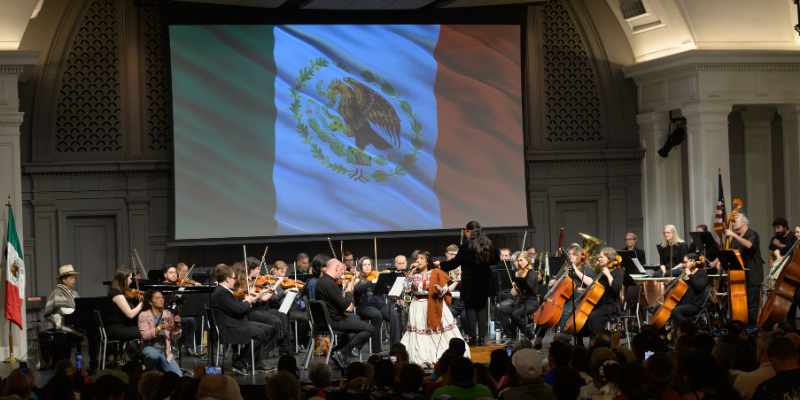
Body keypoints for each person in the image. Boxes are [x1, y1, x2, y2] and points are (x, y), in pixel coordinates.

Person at [400, 250, 469, 368]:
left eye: (421, 258)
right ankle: (421, 358)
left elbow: (445, 291)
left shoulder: (436, 272)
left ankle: (434, 358)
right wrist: (410, 272)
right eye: (417, 259)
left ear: (427, 261)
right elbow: (406, 286)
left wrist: (439, 289)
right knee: (420, 333)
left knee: (434, 332)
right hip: (417, 305)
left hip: (433, 304)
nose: (418, 261)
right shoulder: (414, 274)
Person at [436, 221, 500, 346]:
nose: (465, 234)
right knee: (482, 308)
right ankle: (482, 338)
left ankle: (473, 338)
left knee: (470, 309)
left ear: (469, 231)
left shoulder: (466, 246)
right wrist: (484, 264)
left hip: (470, 282)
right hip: (485, 281)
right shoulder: (488, 243)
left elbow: (454, 263)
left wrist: (440, 265)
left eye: (465, 231)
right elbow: (496, 260)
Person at [211, 264, 277, 375]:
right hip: (229, 327)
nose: (235, 280)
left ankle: (256, 362)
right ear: (227, 279)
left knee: (270, 329)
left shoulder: (223, 291)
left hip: (235, 322)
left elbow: (236, 307)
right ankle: (241, 361)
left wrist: (252, 299)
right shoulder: (222, 292)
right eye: (233, 278)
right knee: (260, 333)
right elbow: (239, 309)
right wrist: (248, 302)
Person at [532, 243, 595, 348]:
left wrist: (576, 271)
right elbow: (559, 283)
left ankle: (565, 340)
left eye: (573, 254)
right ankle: (538, 338)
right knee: (545, 310)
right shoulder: (565, 268)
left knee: (565, 311)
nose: (570, 256)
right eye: (569, 254)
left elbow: (591, 283)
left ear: (579, 256)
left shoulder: (586, 269)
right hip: (563, 298)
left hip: (577, 299)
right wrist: (554, 282)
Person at [315, 258, 374, 368]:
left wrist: (341, 287)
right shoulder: (330, 284)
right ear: (336, 268)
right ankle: (343, 352)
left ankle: (336, 351)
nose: (342, 272)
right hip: (335, 321)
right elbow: (344, 304)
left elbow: (332, 301)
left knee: (355, 320)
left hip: (325, 320)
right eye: (341, 269)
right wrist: (347, 292)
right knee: (369, 328)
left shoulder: (321, 282)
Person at [44, 264, 97, 368]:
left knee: (94, 330)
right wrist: (80, 313)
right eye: (71, 278)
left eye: (74, 278)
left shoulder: (73, 293)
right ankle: (94, 359)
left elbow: (79, 308)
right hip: (64, 323)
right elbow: (64, 311)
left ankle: (96, 357)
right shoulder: (57, 292)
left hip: (73, 321)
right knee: (87, 332)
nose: (74, 280)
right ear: (63, 279)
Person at [571, 247, 624, 341]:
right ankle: (581, 343)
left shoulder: (617, 272)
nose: (599, 259)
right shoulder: (602, 272)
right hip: (600, 303)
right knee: (581, 315)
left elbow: (616, 288)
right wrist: (584, 290)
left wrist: (608, 275)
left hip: (611, 305)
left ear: (609, 258)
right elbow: (596, 289)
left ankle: (595, 342)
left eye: (601, 257)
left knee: (593, 316)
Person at [353, 256, 401, 352]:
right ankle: (376, 348)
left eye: (369, 265)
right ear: (360, 267)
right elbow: (357, 289)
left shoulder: (377, 276)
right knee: (377, 315)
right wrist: (371, 282)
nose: (367, 267)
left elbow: (386, 289)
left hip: (379, 304)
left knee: (394, 315)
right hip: (365, 306)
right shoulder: (358, 278)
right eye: (364, 265)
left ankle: (396, 347)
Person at [724, 213, 764, 324]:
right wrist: (717, 262)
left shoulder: (753, 234)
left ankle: (752, 329)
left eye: (734, 221)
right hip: (740, 276)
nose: (732, 224)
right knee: (740, 305)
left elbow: (749, 245)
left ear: (743, 222)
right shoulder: (735, 239)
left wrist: (734, 235)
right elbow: (730, 252)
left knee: (752, 306)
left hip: (753, 276)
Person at [656, 253, 708, 329]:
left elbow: (699, 287)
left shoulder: (702, 274)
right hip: (683, 302)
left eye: (686, 262)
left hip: (695, 305)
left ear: (693, 261)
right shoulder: (684, 274)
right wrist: (671, 283)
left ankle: (684, 332)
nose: (684, 264)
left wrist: (690, 275)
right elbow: (680, 288)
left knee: (676, 311)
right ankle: (662, 334)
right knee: (658, 307)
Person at [268, 260, 310, 353]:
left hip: (290, 309)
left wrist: (296, 293)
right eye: (281, 272)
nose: (283, 275)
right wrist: (284, 292)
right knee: (305, 319)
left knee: (308, 317)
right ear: (275, 270)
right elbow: (273, 300)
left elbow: (294, 300)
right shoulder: (271, 283)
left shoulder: (285, 283)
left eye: (284, 272)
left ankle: (295, 343)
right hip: (279, 311)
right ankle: (291, 345)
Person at [498, 250, 539, 343]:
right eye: (518, 261)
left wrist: (517, 289)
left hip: (531, 302)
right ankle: (511, 335)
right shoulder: (521, 272)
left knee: (515, 314)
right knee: (502, 309)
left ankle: (531, 336)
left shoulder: (531, 273)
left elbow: (526, 289)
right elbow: (520, 291)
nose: (519, 263)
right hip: (521, 302)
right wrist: (515, 291)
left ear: (528, 259)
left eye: (521, 260)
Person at [138, 290, 182, 375]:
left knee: (178, 376)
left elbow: (177, 336)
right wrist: (160, 327)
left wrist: (178, 324)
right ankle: (148, 372)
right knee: (153, 355)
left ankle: (159, 367)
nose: (161, 300)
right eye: (157, 298)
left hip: (164, 352)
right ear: (150, 302)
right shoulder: (143, 315)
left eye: (162, 298)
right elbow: (145, 336)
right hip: (149, 348)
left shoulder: (167, 314)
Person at [161, 264, 199, 356]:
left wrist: (196, 286)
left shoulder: (180, 286)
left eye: (175, 272)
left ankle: (188, 347)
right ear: (165, 275)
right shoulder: (161, 287)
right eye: (171, 273)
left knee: (191, 320)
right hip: (164, 318)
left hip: (177, 316)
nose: (174, 275)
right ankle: (167, 350)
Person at [106, 266, 144, 343]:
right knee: (147, 332)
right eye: (130, 278)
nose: (131, 281)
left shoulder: (117, 292)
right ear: (124, 279)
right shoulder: (116, 294)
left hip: (122, 327)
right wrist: (142, 304)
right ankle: (138, 353)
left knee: (147, 330)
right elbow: (130, 314)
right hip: (117, 329)